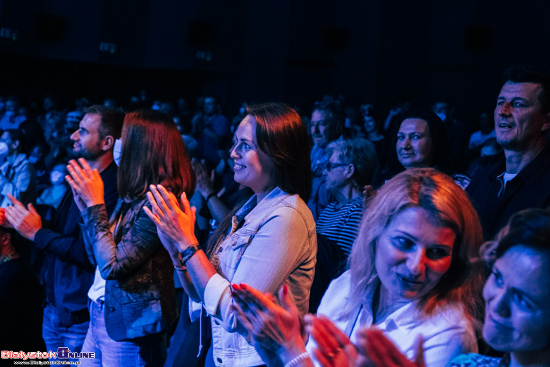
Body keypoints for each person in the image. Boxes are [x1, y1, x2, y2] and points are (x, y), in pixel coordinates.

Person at [232, 168, 485, 367]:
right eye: (404, 243)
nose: (416, 266)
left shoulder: (449, 333)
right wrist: (273, 351)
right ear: (375, 234)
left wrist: (290, 351)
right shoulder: (346, 286)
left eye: (438, 252)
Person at [145, 102, 316, 367]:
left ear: (278, 154)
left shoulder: (287, 217)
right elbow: (202, 293)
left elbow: (236, 312)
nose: (233, 153)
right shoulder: (249, 208)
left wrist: (187, 242)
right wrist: (176, 250)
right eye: (235, 143)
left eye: (245, 145)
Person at [338, 208, 550, 367]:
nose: (498, 304)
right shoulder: (468, 364)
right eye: (498, 278)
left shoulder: (451, 334)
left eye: (523, 300)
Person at [65, 109, 194, 366]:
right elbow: (98, 258)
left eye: (125, 136)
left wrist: (95, 207)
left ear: (144, 145)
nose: (119, 143)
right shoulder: (136, 193)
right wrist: (86, 211)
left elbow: (112, 266)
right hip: (102, 312)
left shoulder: (160, 200)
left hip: (129, 328)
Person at [3, 106, 123, 361]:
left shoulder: (109, 187)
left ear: (106, 142)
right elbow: (64, 232)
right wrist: (24, 222)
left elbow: (88, 252)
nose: (73, 137)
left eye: (82, 131)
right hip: (57, 307)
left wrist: (37, 233)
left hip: (77, 313)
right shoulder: (85, 177)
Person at [467, 65, 550, 240]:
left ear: (546, 121)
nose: (503, 112)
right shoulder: (482, 179)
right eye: (500, 102)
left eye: (518, 104)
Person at [309, 138, 378, 313]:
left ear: (349, 170)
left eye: (330, 166)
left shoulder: (360, 207)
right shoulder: (331, 208)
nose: (324, 172)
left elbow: (343, 262)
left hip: (334, 289)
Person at [379, 109, 470, 189]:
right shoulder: (388, 185)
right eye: (401, 137)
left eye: (415, 137)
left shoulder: (459, 185)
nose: (405, 146)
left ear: (435, 140)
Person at [308, 99, 346, 220]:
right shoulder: (315, 150)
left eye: (322, 124)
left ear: (338, 126)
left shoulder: (346, 155)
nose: (315, 131)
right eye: (313, 124)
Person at [0, 129, 37, 207]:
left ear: (15, 144)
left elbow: (16, 196)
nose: (1, 143)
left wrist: (1, 179)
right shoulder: (5, 166)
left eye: (4, 140)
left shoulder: (26, 167)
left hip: (18, 215)